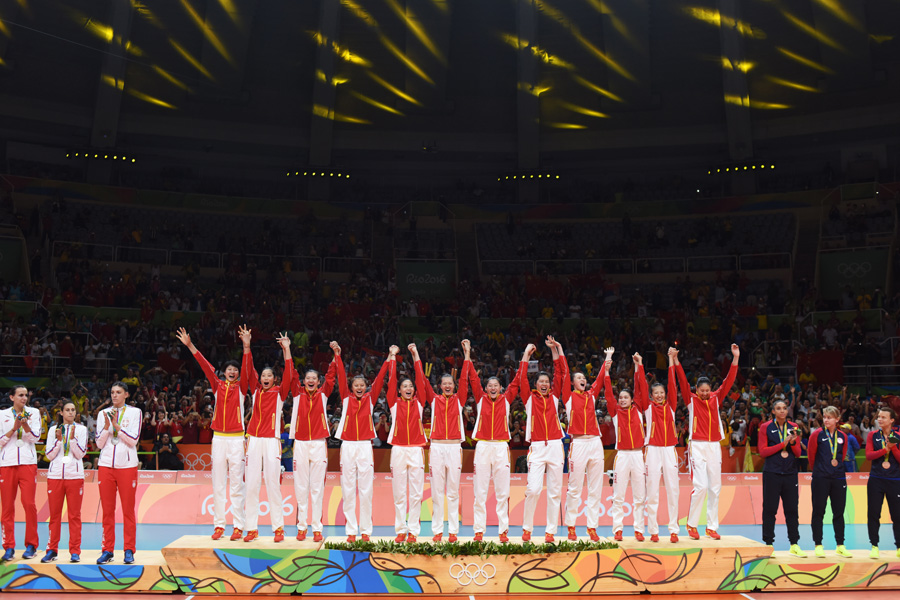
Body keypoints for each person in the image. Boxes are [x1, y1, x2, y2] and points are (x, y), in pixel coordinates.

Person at [177, 326, 248, 541]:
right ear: (224, 372)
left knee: (237, 483)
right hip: (219, 440)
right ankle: (219, 526)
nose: (232, 372)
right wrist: (190, 346)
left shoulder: (243, 387)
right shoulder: (217, 386)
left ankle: (238, 526)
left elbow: (247, 369)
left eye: (235, 370)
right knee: (218, 483)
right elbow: (205, 366)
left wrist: (246, 346)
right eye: (229, 370)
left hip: (237, 439)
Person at [675, 343, 739, 540]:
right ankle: (692, 524)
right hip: (697, 446)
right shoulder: (691, 400)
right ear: (696, 390)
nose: (704, 393)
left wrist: (735, 358)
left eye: (707, 390)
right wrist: (676, 361)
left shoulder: (716, 398)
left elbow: (729, 381)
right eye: (701, 390)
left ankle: (711, 527)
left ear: (711, 390)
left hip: (714, 446)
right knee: (701, 486)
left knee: (715, 487)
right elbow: (682, 382)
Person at [467, 342, 525, 543]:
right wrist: (467, 354)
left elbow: (517, 381)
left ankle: (503, 531)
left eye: (496, 386)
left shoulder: (507, 399)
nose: (492, 388)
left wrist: (524, 355)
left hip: (501, 447)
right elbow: (472, 378)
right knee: (479, 492)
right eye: (489, 385)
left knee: (503, 492)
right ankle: (479, 531)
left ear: (501, 389)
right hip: (482, 446)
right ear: (485, 389)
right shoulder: (480, 399)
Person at [333, 343, 391, 542]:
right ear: (351, 387)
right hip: (348, 446)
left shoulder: (370, 398)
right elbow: (341, 376)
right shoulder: (345, 398)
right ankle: (351, 531)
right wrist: (337, 355)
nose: (359, 388)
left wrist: (389, 358)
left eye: (362, 385)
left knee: (366, 490)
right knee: (348, 489)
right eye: (356, 385)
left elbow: (380, 380)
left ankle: (365, 530)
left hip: (366, 446)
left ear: (365, 387)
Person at [413, 341, 469, 542]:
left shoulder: (460, 399)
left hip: (454, 447)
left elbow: (464, 379)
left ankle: (453, 531)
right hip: (436, 447)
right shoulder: (434, 400)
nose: (447, 386)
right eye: (444, 383)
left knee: (452, 492)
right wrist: (416, 355)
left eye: (450, 384)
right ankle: (437, 531)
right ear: (439, 387)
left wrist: (467, 353)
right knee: (437, 491)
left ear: (453, 386)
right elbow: (421, 380)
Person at [554, 339, 608, 542]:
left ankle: (592, 527)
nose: (582, 379)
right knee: (575, 487)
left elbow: (601, 378)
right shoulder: (568, 397)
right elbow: (565, 372)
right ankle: (571, 526)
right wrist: (560, 349)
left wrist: (607, 359)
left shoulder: (592, 395)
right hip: (578, 444)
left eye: (583, 377)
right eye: (578, 378)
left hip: (596, 443)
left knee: (595, 488)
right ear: (573, 383)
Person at [241, 331, 293, 543]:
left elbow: (290, 374)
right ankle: (251, 528)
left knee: (273, 483)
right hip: (253, 440)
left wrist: (287, 349)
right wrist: (247, 346)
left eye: (269, 376)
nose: (265, 378)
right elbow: (248, 369)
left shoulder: (280, 393)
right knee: (252, 484)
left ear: (275, 379)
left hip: (272, 441)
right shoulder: (255, 390)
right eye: (263, 376)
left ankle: (278, 528)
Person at [289, 341, 338, 542]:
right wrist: (286, 350)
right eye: (307, 378)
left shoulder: (323, 394)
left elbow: (331, 376)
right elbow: (290, 374)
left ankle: (317, 528)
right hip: (300, 443)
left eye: (314, 379)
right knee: (301, 487)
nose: (310, 381)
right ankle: (302, 527)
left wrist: (335, 355)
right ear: (303, 381)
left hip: (318, 444)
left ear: (318, 382)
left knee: (317, 488)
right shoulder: (297, 394)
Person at [519, 340, 566, 543]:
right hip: (537, 448)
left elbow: (561, 375)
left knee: (555, 492)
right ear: (536, 385)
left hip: (556, 446)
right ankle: (527, 528)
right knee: (534, 489)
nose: (545, 384)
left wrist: (557, 351)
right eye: (541, 382)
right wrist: (526, 356)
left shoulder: (555, 397)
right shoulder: (529, 399)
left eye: (547, 382)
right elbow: (520, 378)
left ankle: (550, 532)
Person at [604, 349, 649, 542]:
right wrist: (606, 372)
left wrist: (639, 365)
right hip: (621, 455)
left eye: (625, 397)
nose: (622, 400)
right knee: (618, 495)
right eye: (620, 397)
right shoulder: (615, 412)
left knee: (639, 495)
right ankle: (618, 529)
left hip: (638, 455)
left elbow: (641, 388)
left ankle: (639, 529)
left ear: (632, 400)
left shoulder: (639, 408)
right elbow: (608, 395)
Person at [96, 382, 142, 564]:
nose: (114, 395)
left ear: (126, 395)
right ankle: (107, 550)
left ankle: (129, 550)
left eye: (118, 392)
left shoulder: (135, 412)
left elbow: (133, 440)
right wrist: (107, 427)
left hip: (127, 466)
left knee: (128, 511)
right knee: (107, 511)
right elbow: (99, 444)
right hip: (106, 466)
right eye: (112, 392)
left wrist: (117, 427)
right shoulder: (102, 414)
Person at [386, 344, 428, 543]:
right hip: (398, 450)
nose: (409, 388)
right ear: (400, 391)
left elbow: (421, 379)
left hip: (417, 449)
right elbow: (391, 381)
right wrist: (392, 357)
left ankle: (413, 531)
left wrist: (415, 355)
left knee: (416, 494)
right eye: (405, 387)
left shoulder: (420, 403)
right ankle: (400, 530)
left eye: (411, 386)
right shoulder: (394, 403)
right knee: (399, 493)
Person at [759, 399, 807, 557]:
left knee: (792, 509)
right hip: (772, 473)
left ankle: (794, 543)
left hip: (790, 473)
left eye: (784, 408)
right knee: (770, 509)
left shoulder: (794, 427)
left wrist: (792, 443)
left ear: (787, 411)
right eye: (778, 408)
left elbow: (799, 453)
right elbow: (763, 452)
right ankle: (768, 543)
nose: (782, 411)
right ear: (773, 411)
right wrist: (783, 443)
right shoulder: (765, 427)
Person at [1, 385, 42, 561]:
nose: (24, 398)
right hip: (7, 464)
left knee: (29, 504)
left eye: (26, 395)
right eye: (20, 395)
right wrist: (13, 428)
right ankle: (9, 546)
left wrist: (24, 425)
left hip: (27, 463)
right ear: (12, 397)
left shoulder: (34, 413)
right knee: (8, 508)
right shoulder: (2, 415)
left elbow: (36, 438)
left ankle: (31, 545)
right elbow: (1, 441)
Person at [42, 401, 88, 563]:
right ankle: (52, 550)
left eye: (73, 410)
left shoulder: (82, 429)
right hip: (55, 476)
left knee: (74, 516)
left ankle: (75, 551)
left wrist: (73, 439)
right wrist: (59, 441)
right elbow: (49, 455)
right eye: (67, 410)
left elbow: (81, 454)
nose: (70, 413)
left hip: (74, 477)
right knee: (54, 516)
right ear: (61, 413)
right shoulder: (54, 430)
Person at [644, 348, 681, 543]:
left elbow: (673, 384)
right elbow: (639, 390)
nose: (659, 395)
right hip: (652, 450)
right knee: (652, 491)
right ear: (651, 395)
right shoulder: (648, 408)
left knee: (673, 490)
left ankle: (674, 530)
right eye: (655, 393)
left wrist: (670, 359)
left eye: (662, 393)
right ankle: (653, 530)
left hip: (669, 450)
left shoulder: (671, 406)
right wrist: (638, 365)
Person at [807, 406, 852, 557]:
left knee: (839, 512)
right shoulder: (817, 435)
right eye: (825, 417)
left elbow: (842, 455)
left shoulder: (843, 437)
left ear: (837, 419)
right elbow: (811, 456)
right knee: (818, 511)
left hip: (838, 478)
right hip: (821, 478)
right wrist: (820, 471)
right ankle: (818, 544)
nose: (826, 420)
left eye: (830, 417)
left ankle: (840, 544)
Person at [865, 407, 900, 559]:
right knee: (873, 514)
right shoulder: (873, 435)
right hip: (876, 480)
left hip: (895, 480)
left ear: (892, 420)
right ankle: (874, 545)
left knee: (897, 515)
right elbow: (868, 455)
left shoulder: (898, 436)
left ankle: (899, 546)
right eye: (879, 417)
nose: (879, 419)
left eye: (883, 417)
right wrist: (885, 449)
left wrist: (894, 449)